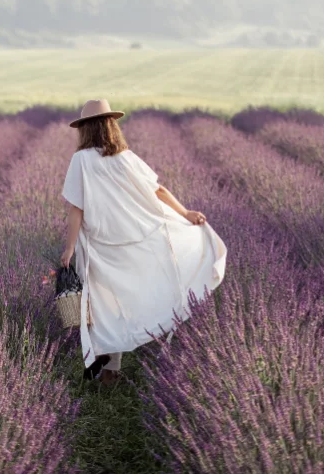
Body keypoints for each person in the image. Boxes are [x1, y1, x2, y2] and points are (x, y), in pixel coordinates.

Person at [60, 99, 227, 386]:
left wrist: (70, 248)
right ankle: (112, 367)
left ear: (85, 130)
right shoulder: (125, 156)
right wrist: (185, 213)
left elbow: (77, 207)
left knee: (104, 305)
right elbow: (158, 190)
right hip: (133, 242)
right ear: (111, 126)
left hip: (101, 247)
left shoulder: (82, 160)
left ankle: (106, 365)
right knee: (131, 297)